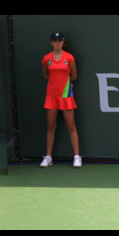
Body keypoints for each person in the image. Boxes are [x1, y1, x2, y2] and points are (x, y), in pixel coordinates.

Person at [39, 31, 82, 168]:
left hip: (66, 95)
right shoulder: (46, 58)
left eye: (60, 40)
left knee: (71, 126)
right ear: (51, 42)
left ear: (63, 42)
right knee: (51, 126)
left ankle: (77, 157)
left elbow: (74, 76)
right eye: (55, 40)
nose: (57, 43)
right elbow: (45, 74)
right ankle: (48, 157)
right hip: (51, 95)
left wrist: (64, 85)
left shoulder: (69, 58)